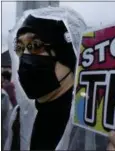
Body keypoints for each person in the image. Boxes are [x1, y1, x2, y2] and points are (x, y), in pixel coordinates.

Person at [4, 7, 108, 150]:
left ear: (66, 55)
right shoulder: (18, 117)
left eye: (35, 45)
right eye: (20, 48)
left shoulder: (94, 124)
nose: (25, 57)